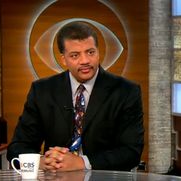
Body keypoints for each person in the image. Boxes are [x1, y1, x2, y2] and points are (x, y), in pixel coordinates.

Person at [7, 21, 144, 172]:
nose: (85, 61)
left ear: (98, 52)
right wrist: (42, 162)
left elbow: (131, 152)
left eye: (90, 52)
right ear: (63, 59)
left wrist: (82, 163)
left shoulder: (125, 91)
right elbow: (17, 147)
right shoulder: (42, 91)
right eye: (75, 55)